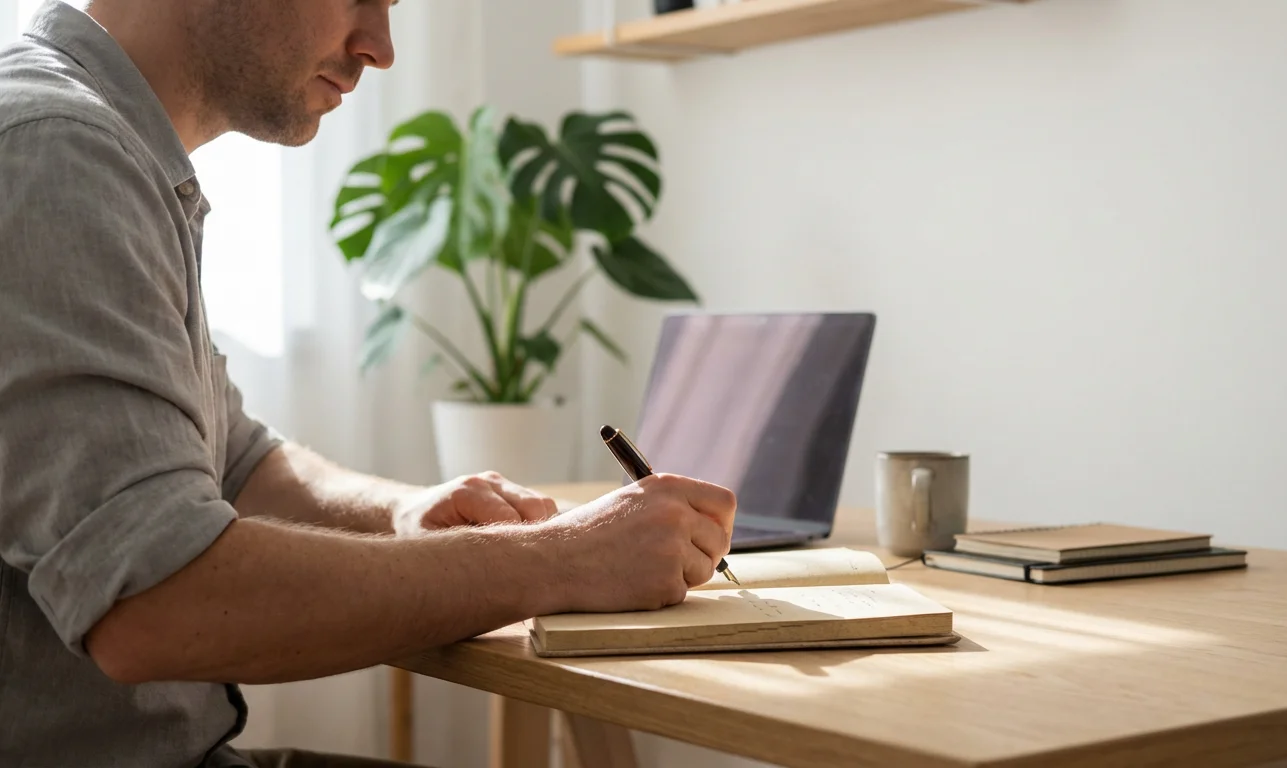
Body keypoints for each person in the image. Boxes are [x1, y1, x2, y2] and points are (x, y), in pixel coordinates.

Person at [0, 1, 737, 767]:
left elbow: (238, 461)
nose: (379, 48)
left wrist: (404, 512)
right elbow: (152, 602)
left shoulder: (100, 148)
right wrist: (562, 557)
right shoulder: (54, 151)